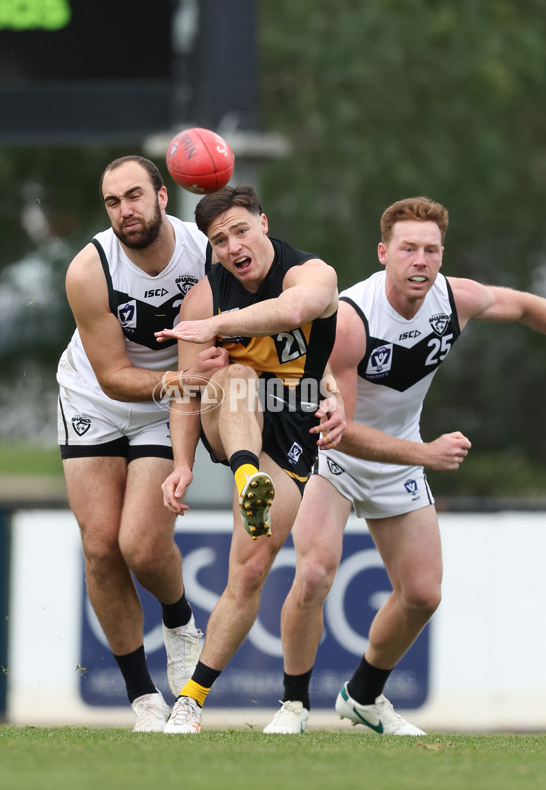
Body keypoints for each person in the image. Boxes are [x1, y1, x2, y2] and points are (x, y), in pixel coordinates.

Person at [263, 195, 546, 736]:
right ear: (383, 253)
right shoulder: (350, 317)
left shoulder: (456, 299)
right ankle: (294, 706)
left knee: (423, 594)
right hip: (334, 454)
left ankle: (364, 697)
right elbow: (340, 432)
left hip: (400, 455)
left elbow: (525, 306)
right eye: (409, 249)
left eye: (432, 250)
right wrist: (425, 454)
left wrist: (415, 454)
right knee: (316, 571)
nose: (421, 260)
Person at [153, 183, 344, 733]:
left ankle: (190, 697)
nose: (233, 246)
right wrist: (182, 465)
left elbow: (291, 311)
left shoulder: (311, 274)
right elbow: (187, 390)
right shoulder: (204, 297)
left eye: (240, 230)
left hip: (294, 430)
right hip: (231, 420)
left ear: (264, 223)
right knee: (233, 376)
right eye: (218, 240)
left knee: (251, 570)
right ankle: (245, 477)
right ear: (211, 251)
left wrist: (219, 326)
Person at [56, 155, 228, 732]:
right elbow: (110, 375)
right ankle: (143, 699)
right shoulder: (90, 269)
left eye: (134, 196)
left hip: (166, 403)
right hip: (96, 398)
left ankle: (179, 621)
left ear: (162, 195)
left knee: (142, 547)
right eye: (112, 202)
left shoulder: (205, 252)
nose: (125, 211)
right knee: (101, 545)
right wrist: (182, 381)